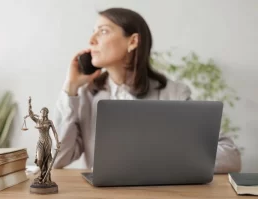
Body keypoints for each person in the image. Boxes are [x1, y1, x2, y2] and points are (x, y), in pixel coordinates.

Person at [53, 7, 241, 173]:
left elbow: (230, 155)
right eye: (93, 32)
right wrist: (70, 88)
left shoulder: (173, 94)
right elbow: (57, 159)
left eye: (103, 31)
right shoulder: (86, 96)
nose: (91, 40)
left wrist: (159, 163)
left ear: (133, 41)